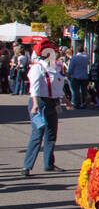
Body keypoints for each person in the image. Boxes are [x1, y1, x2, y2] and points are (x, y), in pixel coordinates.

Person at [24, 41, 66, 176]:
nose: (55, 54)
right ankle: (27, 166)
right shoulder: (37, 68)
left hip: (52, 102)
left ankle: (49, 164)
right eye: (53, 52)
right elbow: (34, 88)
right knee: (38, 133)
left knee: (51, 133)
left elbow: (57, 87)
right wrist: (35, 104)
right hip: (40, 102)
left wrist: (65, 100)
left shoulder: (53, 68)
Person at [67, 43, 90, 109]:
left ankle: (76, 103)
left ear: (76, 50)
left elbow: (71, 68)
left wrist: (69, 74)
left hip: (76, 76)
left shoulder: (74, 58)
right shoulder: (86, 57)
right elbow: (88, 64)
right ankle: (84, 103)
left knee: (75, 91)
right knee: (84, 90)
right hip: (84, 75)